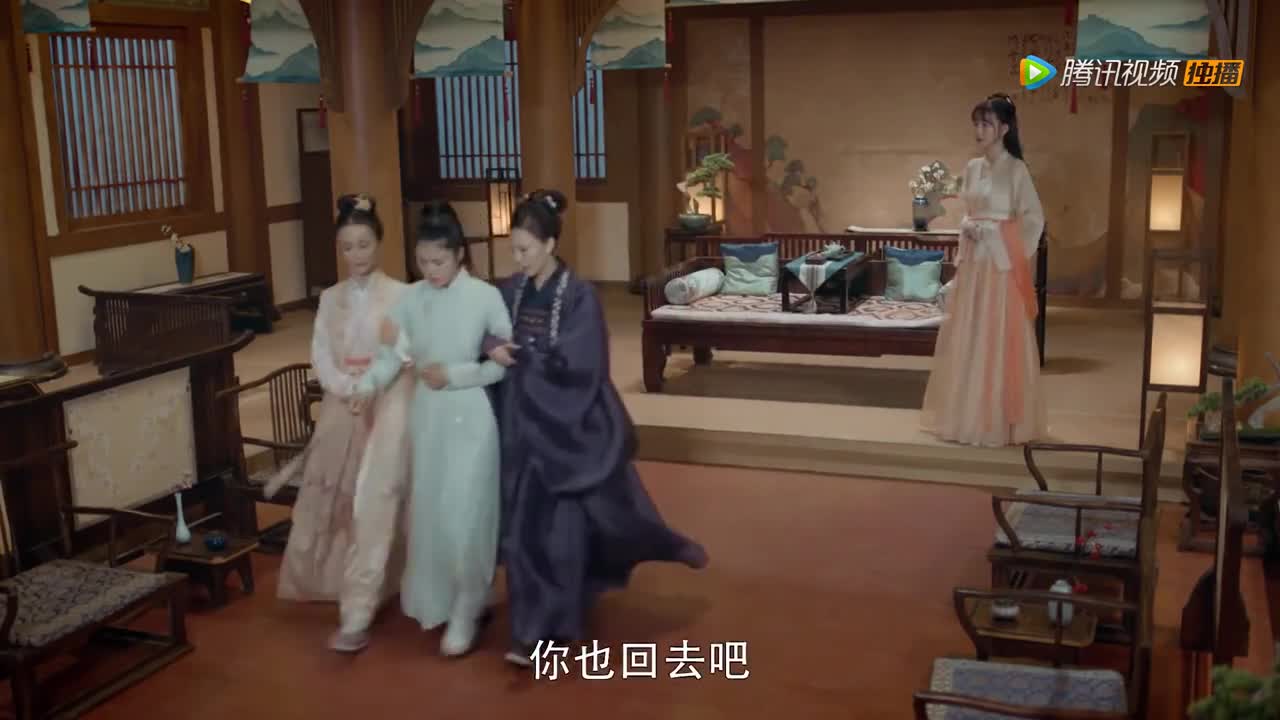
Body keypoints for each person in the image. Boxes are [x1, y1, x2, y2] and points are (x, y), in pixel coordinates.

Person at [482, 189, 709, 667]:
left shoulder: (579, 296)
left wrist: (524, 357)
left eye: (525, 249)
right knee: (522, 535)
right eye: (514, 250)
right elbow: (483, 327)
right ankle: (529, 631)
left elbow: (583, 362)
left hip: (567, 428)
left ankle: (549, 625)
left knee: (562, 535)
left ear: (549, 244)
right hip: (521, 427)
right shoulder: (509, 290)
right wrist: (488, 345)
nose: (518, 259)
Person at [350, 200, 510, 657]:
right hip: (428, 417)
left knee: (467, 513)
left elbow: (502, 365)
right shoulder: (411, 299)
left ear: (459, 254)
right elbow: (390, 356)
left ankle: (468, 605)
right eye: (423, 261)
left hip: (470, 416)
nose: (431, 270)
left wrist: (454, 375)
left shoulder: (485, 297)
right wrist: (367, 386)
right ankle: (444, 600)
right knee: (433, 515)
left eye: (439, 261)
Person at [263, 194, 413, 653]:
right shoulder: (330, 298)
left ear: (379, 242)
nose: (356, 255)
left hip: (385, 400)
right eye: (348, 247)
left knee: (378, 493)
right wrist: (343, 387)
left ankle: (382, 585)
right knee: (332, 489)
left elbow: (402, 350)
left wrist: (369, 386)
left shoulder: (401, 295)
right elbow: (321, 353)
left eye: (364, 244)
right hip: (341, 400)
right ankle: (328, 582)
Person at [920, 93, 1047, 447]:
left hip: (1000, 265)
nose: (979, 130)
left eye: (986, 123)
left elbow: (1034, 220)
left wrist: (997, 235)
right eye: (976, 123)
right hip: (975, 264)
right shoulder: (973, 167)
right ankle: (965, 416)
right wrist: (968, 226)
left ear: (1004, 128)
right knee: (970, 335)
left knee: (997, 337)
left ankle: (996, 421)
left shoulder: (1016, 170)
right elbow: (969, 211)